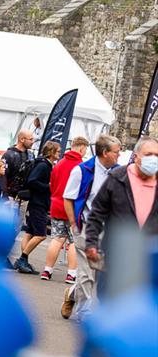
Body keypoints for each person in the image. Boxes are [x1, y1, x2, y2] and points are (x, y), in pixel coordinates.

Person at [60, 134, 121, 321]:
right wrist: (73, 224)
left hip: (109, 230)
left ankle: (71, 294)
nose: (119, 156)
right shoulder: (82, 170)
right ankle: (84, 312)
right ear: (105, 153)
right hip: (86, 226)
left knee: (99, 271)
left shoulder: (119, 173)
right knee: (86, 271)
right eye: (116, 152)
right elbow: (68, 198)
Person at [84, 136, 158, 271]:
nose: (153, 159)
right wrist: (91, 243)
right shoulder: (118, 178)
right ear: (136, 157)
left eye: (156, 155)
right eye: (148, 154)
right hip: (116, 253)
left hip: (149, 258)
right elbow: (97, 213)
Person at [40, 136, 89, 283]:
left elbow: (52, 185)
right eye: (85, 149)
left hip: (57, 204)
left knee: (57, 239)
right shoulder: (83, 166)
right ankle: (71, 273)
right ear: (81, 148)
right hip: (73, 208)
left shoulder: (58, 164)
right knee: (73, 242)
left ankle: (47, 270)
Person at [13, 141, 61, 274]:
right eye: (57, 151)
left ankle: (24, 260)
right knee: (41, 235)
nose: (59, 153)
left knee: (30, 233)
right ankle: (22, 259)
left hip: (36, 203)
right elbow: (32, 181)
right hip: (38, 203)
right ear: (51, 152)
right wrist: (49, 186)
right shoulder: (44, 166)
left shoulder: (45, 164)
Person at [2, 129, 36, 198]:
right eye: (31, 139)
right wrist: (5, 196)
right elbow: (3, 176)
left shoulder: (31, 155)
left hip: (24, 197)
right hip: (10, 196)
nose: (33, 142)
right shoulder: (9, 155)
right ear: (22, 139)